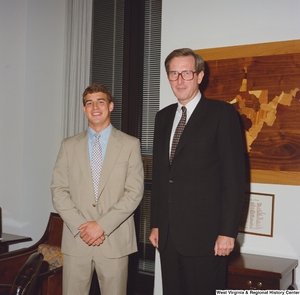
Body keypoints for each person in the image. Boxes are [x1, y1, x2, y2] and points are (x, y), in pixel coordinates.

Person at [149, 48, 246, 295]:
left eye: (186, 73)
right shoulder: (163, 117)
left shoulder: (222, 114)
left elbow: (233, 180)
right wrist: (157, 224)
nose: (179, 80)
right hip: (168, 237)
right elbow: (161, 178)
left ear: (200, 76)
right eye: (173, 74)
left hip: (206, 238)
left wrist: (227, 232)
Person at [51, 83, 144, 295]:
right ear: (84, 109)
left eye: (100, 101)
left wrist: (101, 226)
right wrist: (82, 227)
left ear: (110, 106)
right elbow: (58, 190)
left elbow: (134, 192)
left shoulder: (130, 145)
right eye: (89, 103)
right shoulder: (68, 145)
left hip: (115, 241)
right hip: (77, 241)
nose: (95, 107)